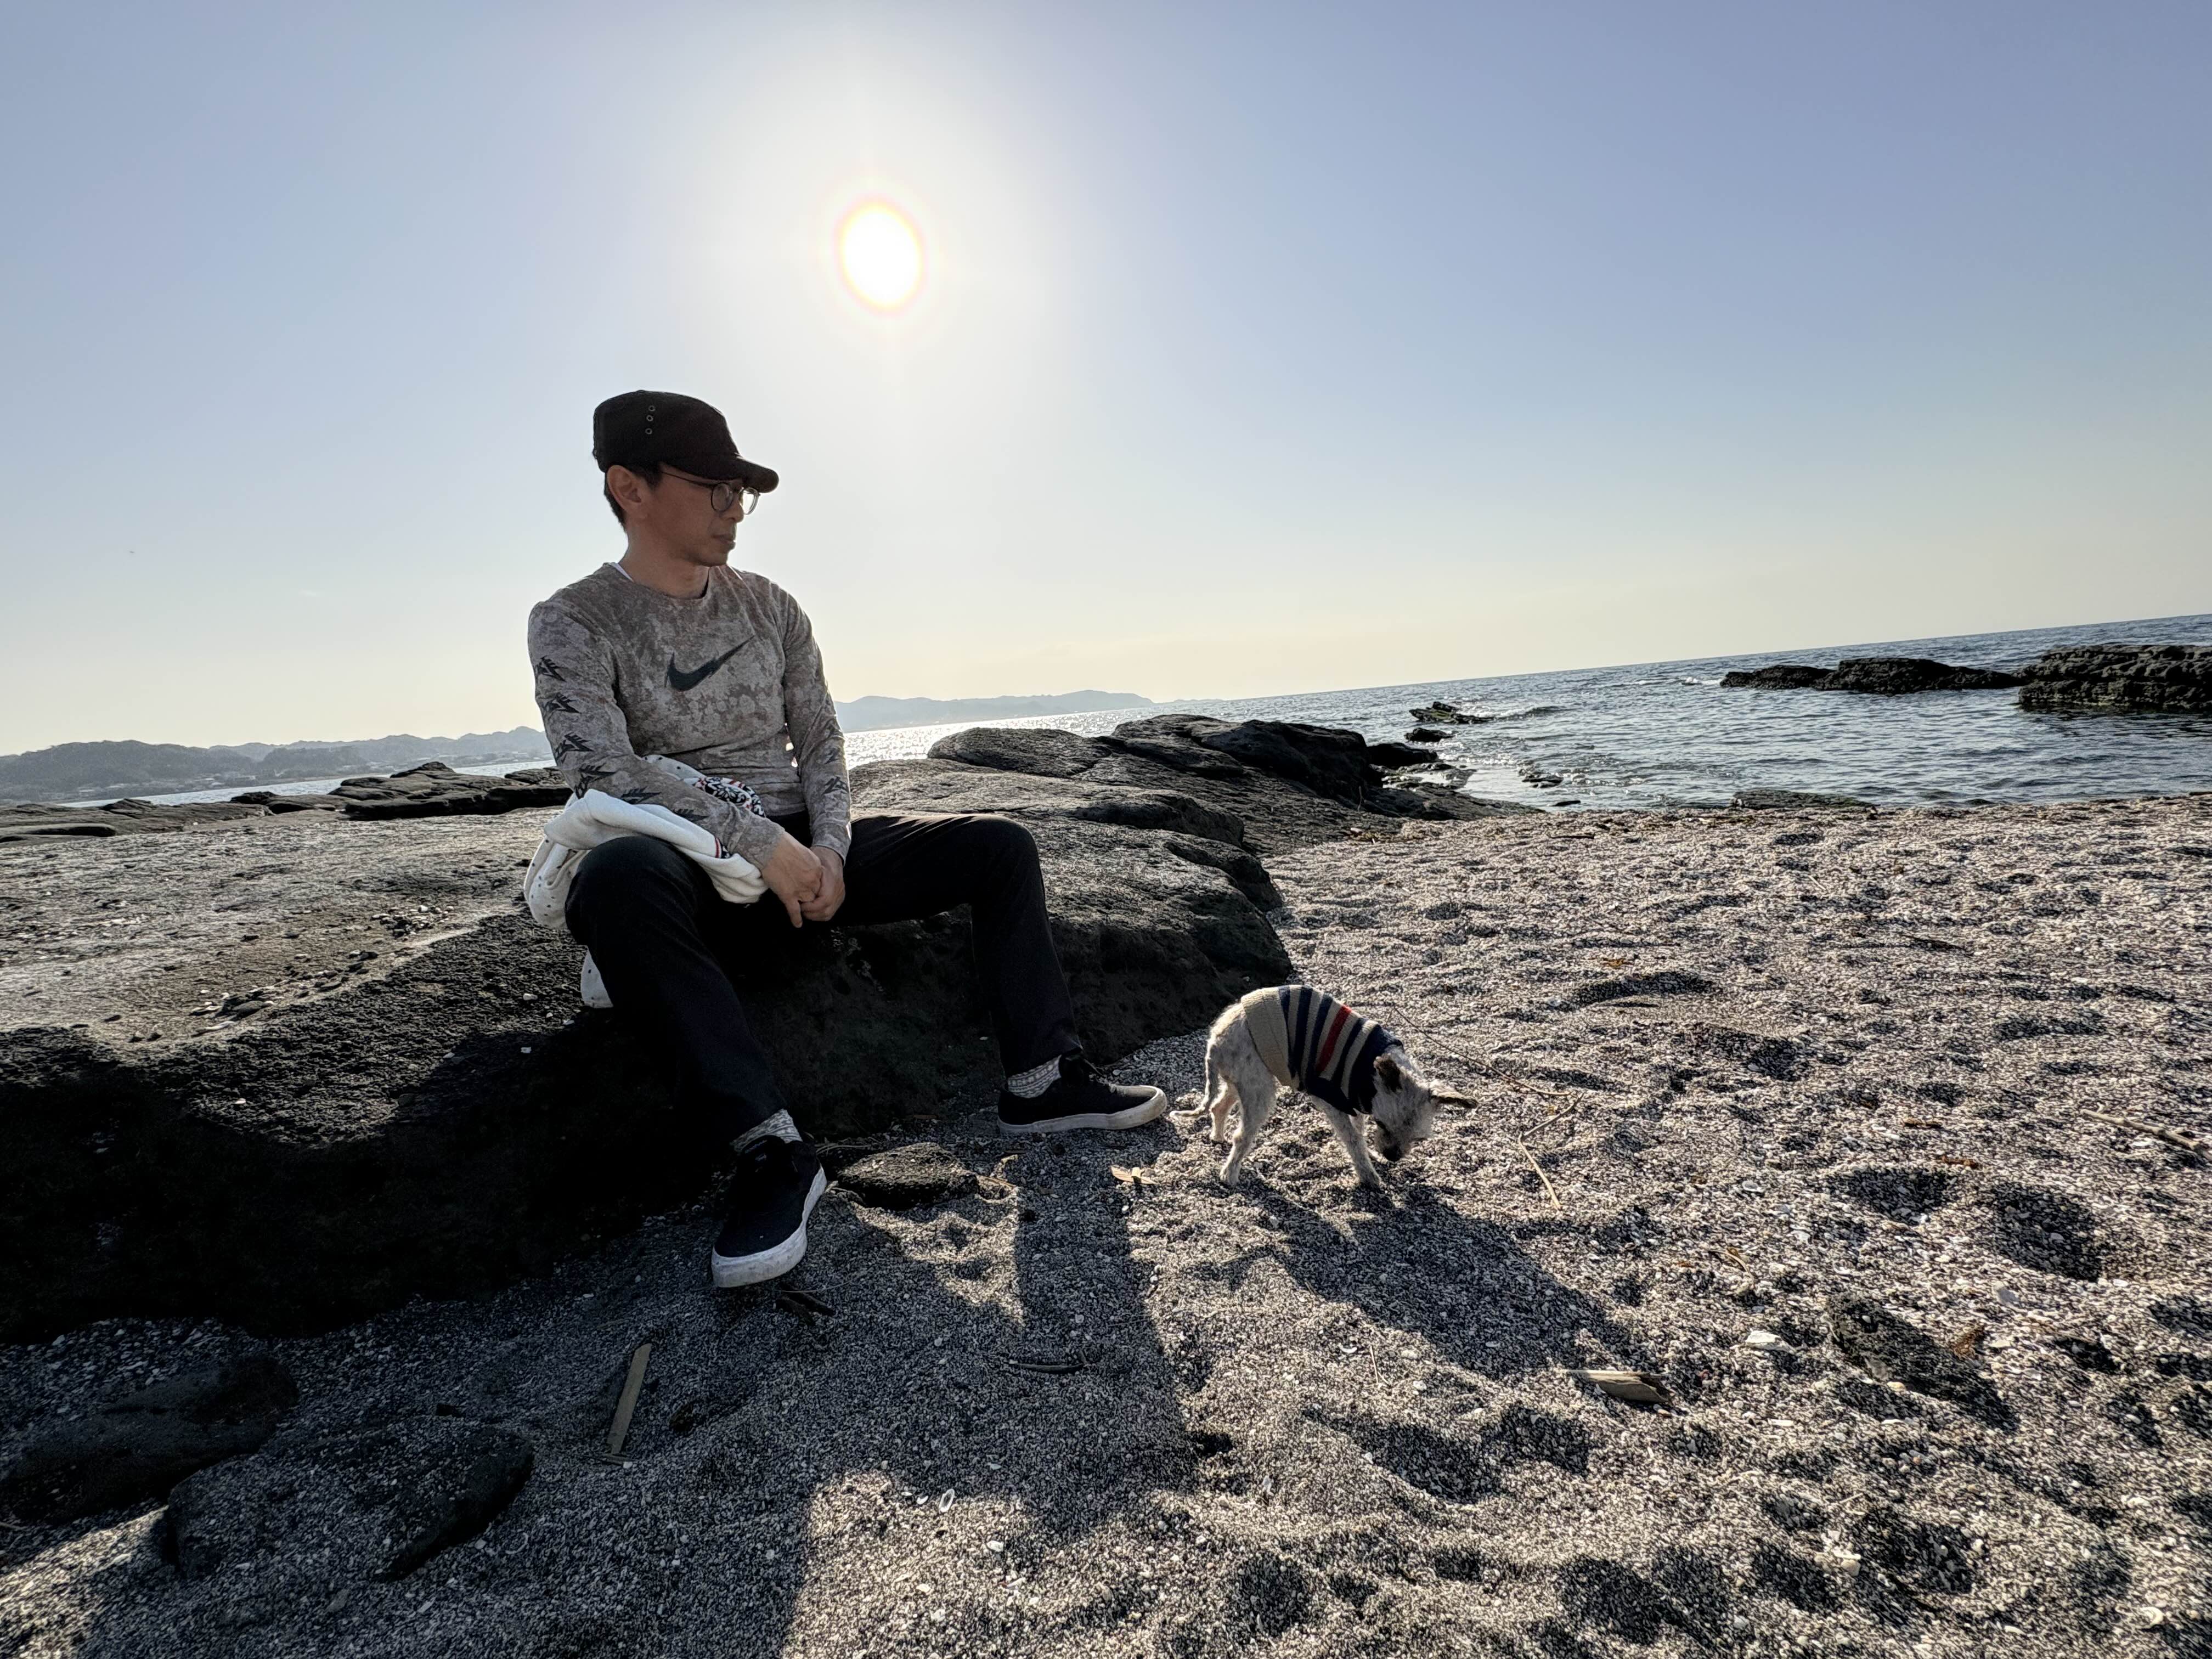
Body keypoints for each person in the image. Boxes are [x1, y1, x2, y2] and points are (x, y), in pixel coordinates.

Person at [527, 391, 1167, 1288]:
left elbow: (822, 743)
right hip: (687, 861)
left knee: (999, 847)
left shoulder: (772, 606)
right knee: (615, 878)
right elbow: (598, 766)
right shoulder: (574, 619)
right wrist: (762, 844)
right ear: (630, 487)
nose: (734, 509)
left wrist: (828, 849)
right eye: (714, 488)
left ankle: (1040, 1083)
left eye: (743, 492)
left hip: (806, 850)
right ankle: (770, 1152)